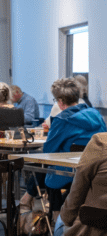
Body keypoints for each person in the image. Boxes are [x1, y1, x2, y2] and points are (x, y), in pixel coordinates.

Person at [21, 78, 107, 211]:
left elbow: (48, 151)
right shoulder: (96, 115)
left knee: (47, 169)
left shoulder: (62, 120)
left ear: (60, 102)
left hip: (70, 173)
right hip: (98, 171)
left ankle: (55, 216)